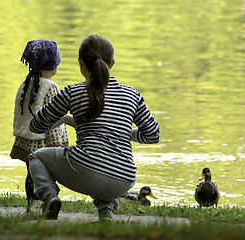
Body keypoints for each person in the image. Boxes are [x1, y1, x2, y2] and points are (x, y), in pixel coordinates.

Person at [28, 35, 160, 221]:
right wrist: (122, 132)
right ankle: (106, 210)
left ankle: (50, 197)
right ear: (112, 63)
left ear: (80, 63)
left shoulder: (72, 92)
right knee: (105, 163)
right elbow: (153, 135)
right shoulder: (131, 95)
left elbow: (36, 125)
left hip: (87, 171)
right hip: (124, 178)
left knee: (36, 156)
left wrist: (62, 117)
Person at [10, 39, 69, 213]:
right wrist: (57, 143)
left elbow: (20, 115)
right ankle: (48, 201)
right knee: (45, 175)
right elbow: (53, 118)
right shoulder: (50, 87)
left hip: (26, 139)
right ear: (53, 64)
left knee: (31, 173)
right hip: (43, 141)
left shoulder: (25, 84)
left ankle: (33, 206)